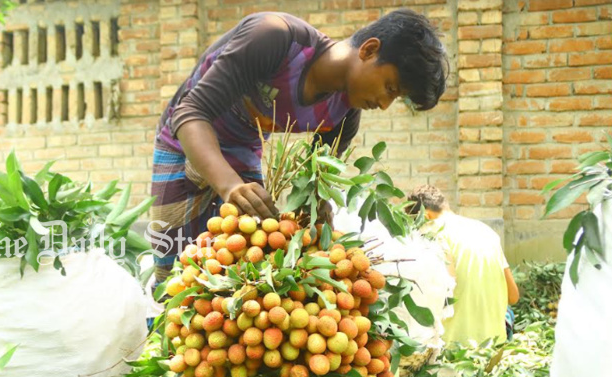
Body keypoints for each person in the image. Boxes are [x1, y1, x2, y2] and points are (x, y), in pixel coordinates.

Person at [149, 9, 449, 282]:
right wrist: (230, 186)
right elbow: (190, 113)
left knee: (244, 277)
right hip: (184, 143)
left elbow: (312, 187)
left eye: (394, 98)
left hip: (242, 157)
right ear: (369, 50)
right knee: (173, 277)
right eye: (390, 88)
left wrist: (317, 213)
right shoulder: (275, 38)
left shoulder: (343, 115)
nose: (384, 104)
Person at [406, 185, 520, 346]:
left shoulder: (431, 232)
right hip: (496, 343)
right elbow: (513, 296)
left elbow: (443, 293)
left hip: (455, 347)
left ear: (425, 215)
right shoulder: (486, 231)